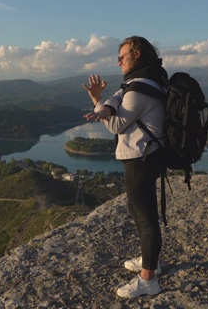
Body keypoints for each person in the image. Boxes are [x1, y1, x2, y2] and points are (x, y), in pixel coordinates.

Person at [83, 36, 168, 298]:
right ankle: (149, 260)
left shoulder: (141, 87)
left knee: (144, 216)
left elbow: (116, 126)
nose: (118, 61)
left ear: (138, 54)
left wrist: (98, 101)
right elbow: (120, 95)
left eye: (123, 56)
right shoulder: (145, 80)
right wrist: (107, 105)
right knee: (139, 209)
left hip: (140, 158)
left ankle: (148, 280)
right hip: (147, 155)